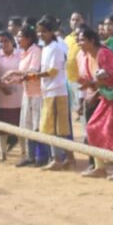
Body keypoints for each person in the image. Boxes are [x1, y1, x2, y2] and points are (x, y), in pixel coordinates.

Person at [76, 25, 113, 178]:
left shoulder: (104, 54)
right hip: (104, 97)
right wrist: (89, 85)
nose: (79, 43)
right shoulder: (86, 57)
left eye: (82, 40)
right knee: (93, 128)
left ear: (92, 41)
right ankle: (100, 167)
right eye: (78, 41)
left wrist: (96, 85)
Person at [4, 25, 49, 167]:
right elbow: (26, 76)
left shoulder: (35, 51)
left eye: (20, 36)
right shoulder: (23, 53)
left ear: (28, 38)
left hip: (37, 94)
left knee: (37, 126)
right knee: (27, 126)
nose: (17, 39)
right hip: (27, 93)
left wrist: (13, 72)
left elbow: (33, 72)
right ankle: (31, 156)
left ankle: (42, 157)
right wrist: (14, 80)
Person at [33, 16, 74, 171]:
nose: (41, 34)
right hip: (48, 90)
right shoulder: (46, 47)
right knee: (55, 127)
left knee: (56, 127)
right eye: (39, 32)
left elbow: (52, 71)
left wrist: (32, 76)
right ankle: (67, 158)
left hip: (56, 90)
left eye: (44, 31)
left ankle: (59, 158)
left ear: (51, 32)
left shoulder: (56, 48)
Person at [0, 30, 23, 161]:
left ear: (12, 41)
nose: (3, 44)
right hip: (3, 96)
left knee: (21, 125)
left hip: (20, 95)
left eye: (6, 41)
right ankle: (3, 152)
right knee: (2, 125)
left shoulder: (20, 55)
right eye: (1, 42)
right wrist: (1, 86)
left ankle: (24, 151)